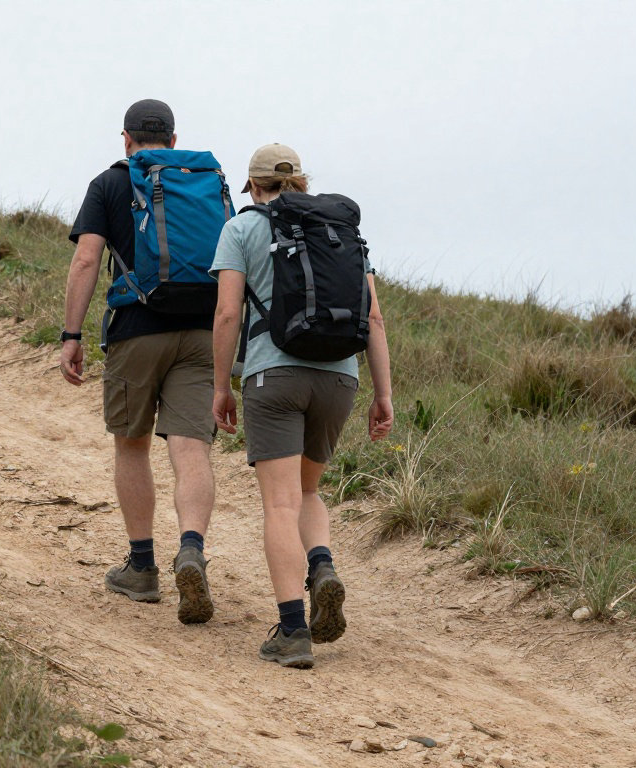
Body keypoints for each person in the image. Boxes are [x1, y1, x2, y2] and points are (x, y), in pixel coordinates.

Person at [210, 144, 393, 667]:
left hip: (274, 377)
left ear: (254, 186)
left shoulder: (242, 229)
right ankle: (322, 563)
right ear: (302, 183)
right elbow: (374, 320)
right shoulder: (339, 230)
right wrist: (383, 395)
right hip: (340, 378)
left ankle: (293, 631)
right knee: (309, 491)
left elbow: (227, 316)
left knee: (280, 505)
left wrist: (222, 386)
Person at [60, 99, 219, 625]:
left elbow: (86, 258)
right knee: (191, 447)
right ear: (174, 141)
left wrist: (71, 334)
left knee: (132, 445)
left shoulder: (109, 183)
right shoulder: (204, 180)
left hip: (136, 329)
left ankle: (143, 567)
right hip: (201, 331)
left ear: (125, 138)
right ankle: (191, 549)